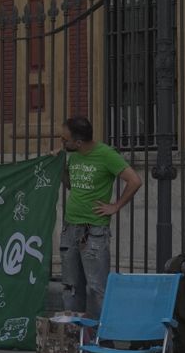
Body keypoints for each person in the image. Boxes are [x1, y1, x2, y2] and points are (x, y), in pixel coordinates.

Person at [58, 116, 142, 320]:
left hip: (94, 230)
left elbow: (134, 180)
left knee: (97, 287)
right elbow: (70, 184)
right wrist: (60, 165)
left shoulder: (106, 154)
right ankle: (74, 333)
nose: (62, 143)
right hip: (70, 227)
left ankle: (102, 335)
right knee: (71, 284)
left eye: (65, 139)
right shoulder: (73, 155)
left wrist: (115, 206)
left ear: (78, 142)